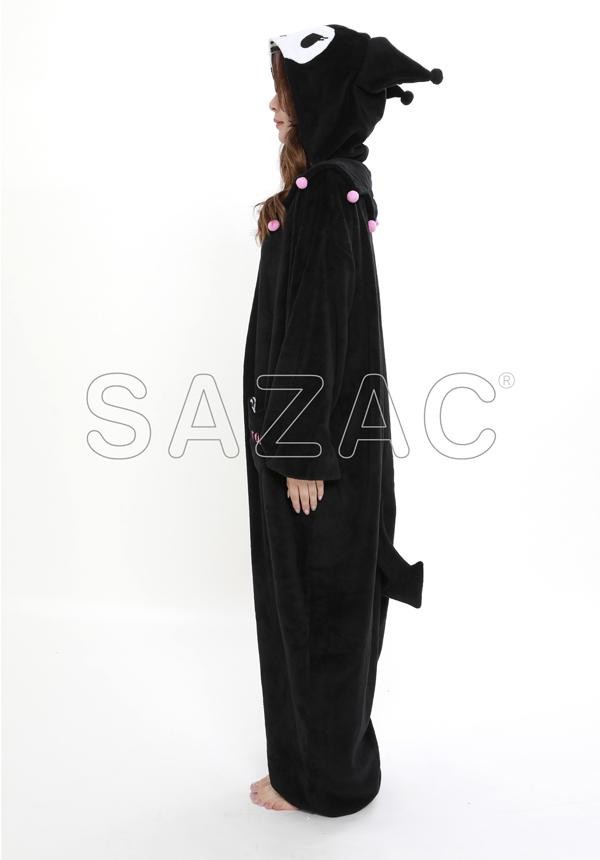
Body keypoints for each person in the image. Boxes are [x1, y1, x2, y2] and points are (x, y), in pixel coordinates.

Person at [243, 24, 443, 816]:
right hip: (318, 444)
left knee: (317, 607)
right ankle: (312, 768)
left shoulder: (328, 193)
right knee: (309, 604)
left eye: (285, 94)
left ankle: (320, 781)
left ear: (320, 99)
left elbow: (318, 325)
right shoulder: (326, 187)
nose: (274, 107)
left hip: (314, 457)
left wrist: (301, 452)